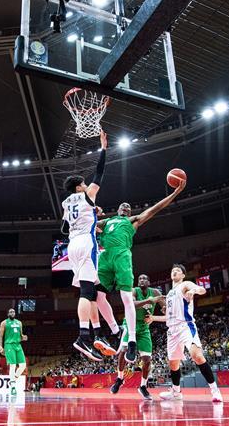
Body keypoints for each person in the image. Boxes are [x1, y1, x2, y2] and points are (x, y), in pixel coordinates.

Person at [98, 181, 186, 364]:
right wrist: (92, 212)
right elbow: (86, 225)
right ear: (118, 210)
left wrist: (175, 192)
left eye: (128, 207)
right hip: (104, 256)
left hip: (122, 255)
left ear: (129, 213)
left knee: (126, 298)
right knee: (96, 295)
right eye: (123, 205)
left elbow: (155, 209)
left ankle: (131, 341)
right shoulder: (107, 221)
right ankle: (115, 330)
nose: (126, 206)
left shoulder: (133, 221)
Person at [61, 130, 114, 361]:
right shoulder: (87, 194)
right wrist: (103, 149)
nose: (87, 184)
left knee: (91, 291)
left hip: (72, 245)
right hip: (85, 243)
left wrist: (92, 214)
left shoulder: (66, 202)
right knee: (86, 291)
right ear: (79, 187)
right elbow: (100, 173)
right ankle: (83, 336)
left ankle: (97, 334)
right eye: (83, 183)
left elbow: (64, 227)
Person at [145, 264, 222, 403]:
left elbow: (202, 289)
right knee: (173, 364)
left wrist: (194, 290)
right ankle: (176, 392)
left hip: (185, 326)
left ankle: (215, 390)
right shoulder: (169, 294)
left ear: (183, 275)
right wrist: (153, 318)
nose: (174, 272)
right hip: (172, 330)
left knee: (197, 356)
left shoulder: (185, 284)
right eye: (173, 270)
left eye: (178, 271)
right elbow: (169, 317)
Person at [110, 273, 164, 400]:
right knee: (123, 350)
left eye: (145, 278)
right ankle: (119, 379)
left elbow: (164, 305)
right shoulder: (134, 291)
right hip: (130, 324)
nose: (142, 280)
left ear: (149, 282)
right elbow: (132, 304)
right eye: (140, 278)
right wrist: (149, 301)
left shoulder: (155, 292)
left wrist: (165, 308)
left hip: (144, 328)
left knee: (147, 359)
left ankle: (143, 386)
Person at [0, 308, 28, 395]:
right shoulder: (4, 323)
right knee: (13, 365)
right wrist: (0, 346)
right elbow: (0, 335)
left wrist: (23, 337)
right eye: (10, 312)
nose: (12, 313)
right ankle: (13, 387)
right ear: (8, 314)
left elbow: (20, 335)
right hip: (9, 345)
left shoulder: (19, 323)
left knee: (23, 365)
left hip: (18, 345)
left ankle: (12, 380)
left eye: (13, 312)